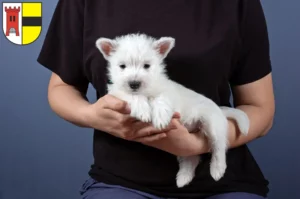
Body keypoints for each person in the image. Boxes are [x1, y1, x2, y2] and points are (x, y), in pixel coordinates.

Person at [37, 0, 275, 198]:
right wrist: (92, 116)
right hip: (122, 181)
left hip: (223, 185)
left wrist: (198, 145)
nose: (134, 78)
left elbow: (260, 108)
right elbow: (60, 87)